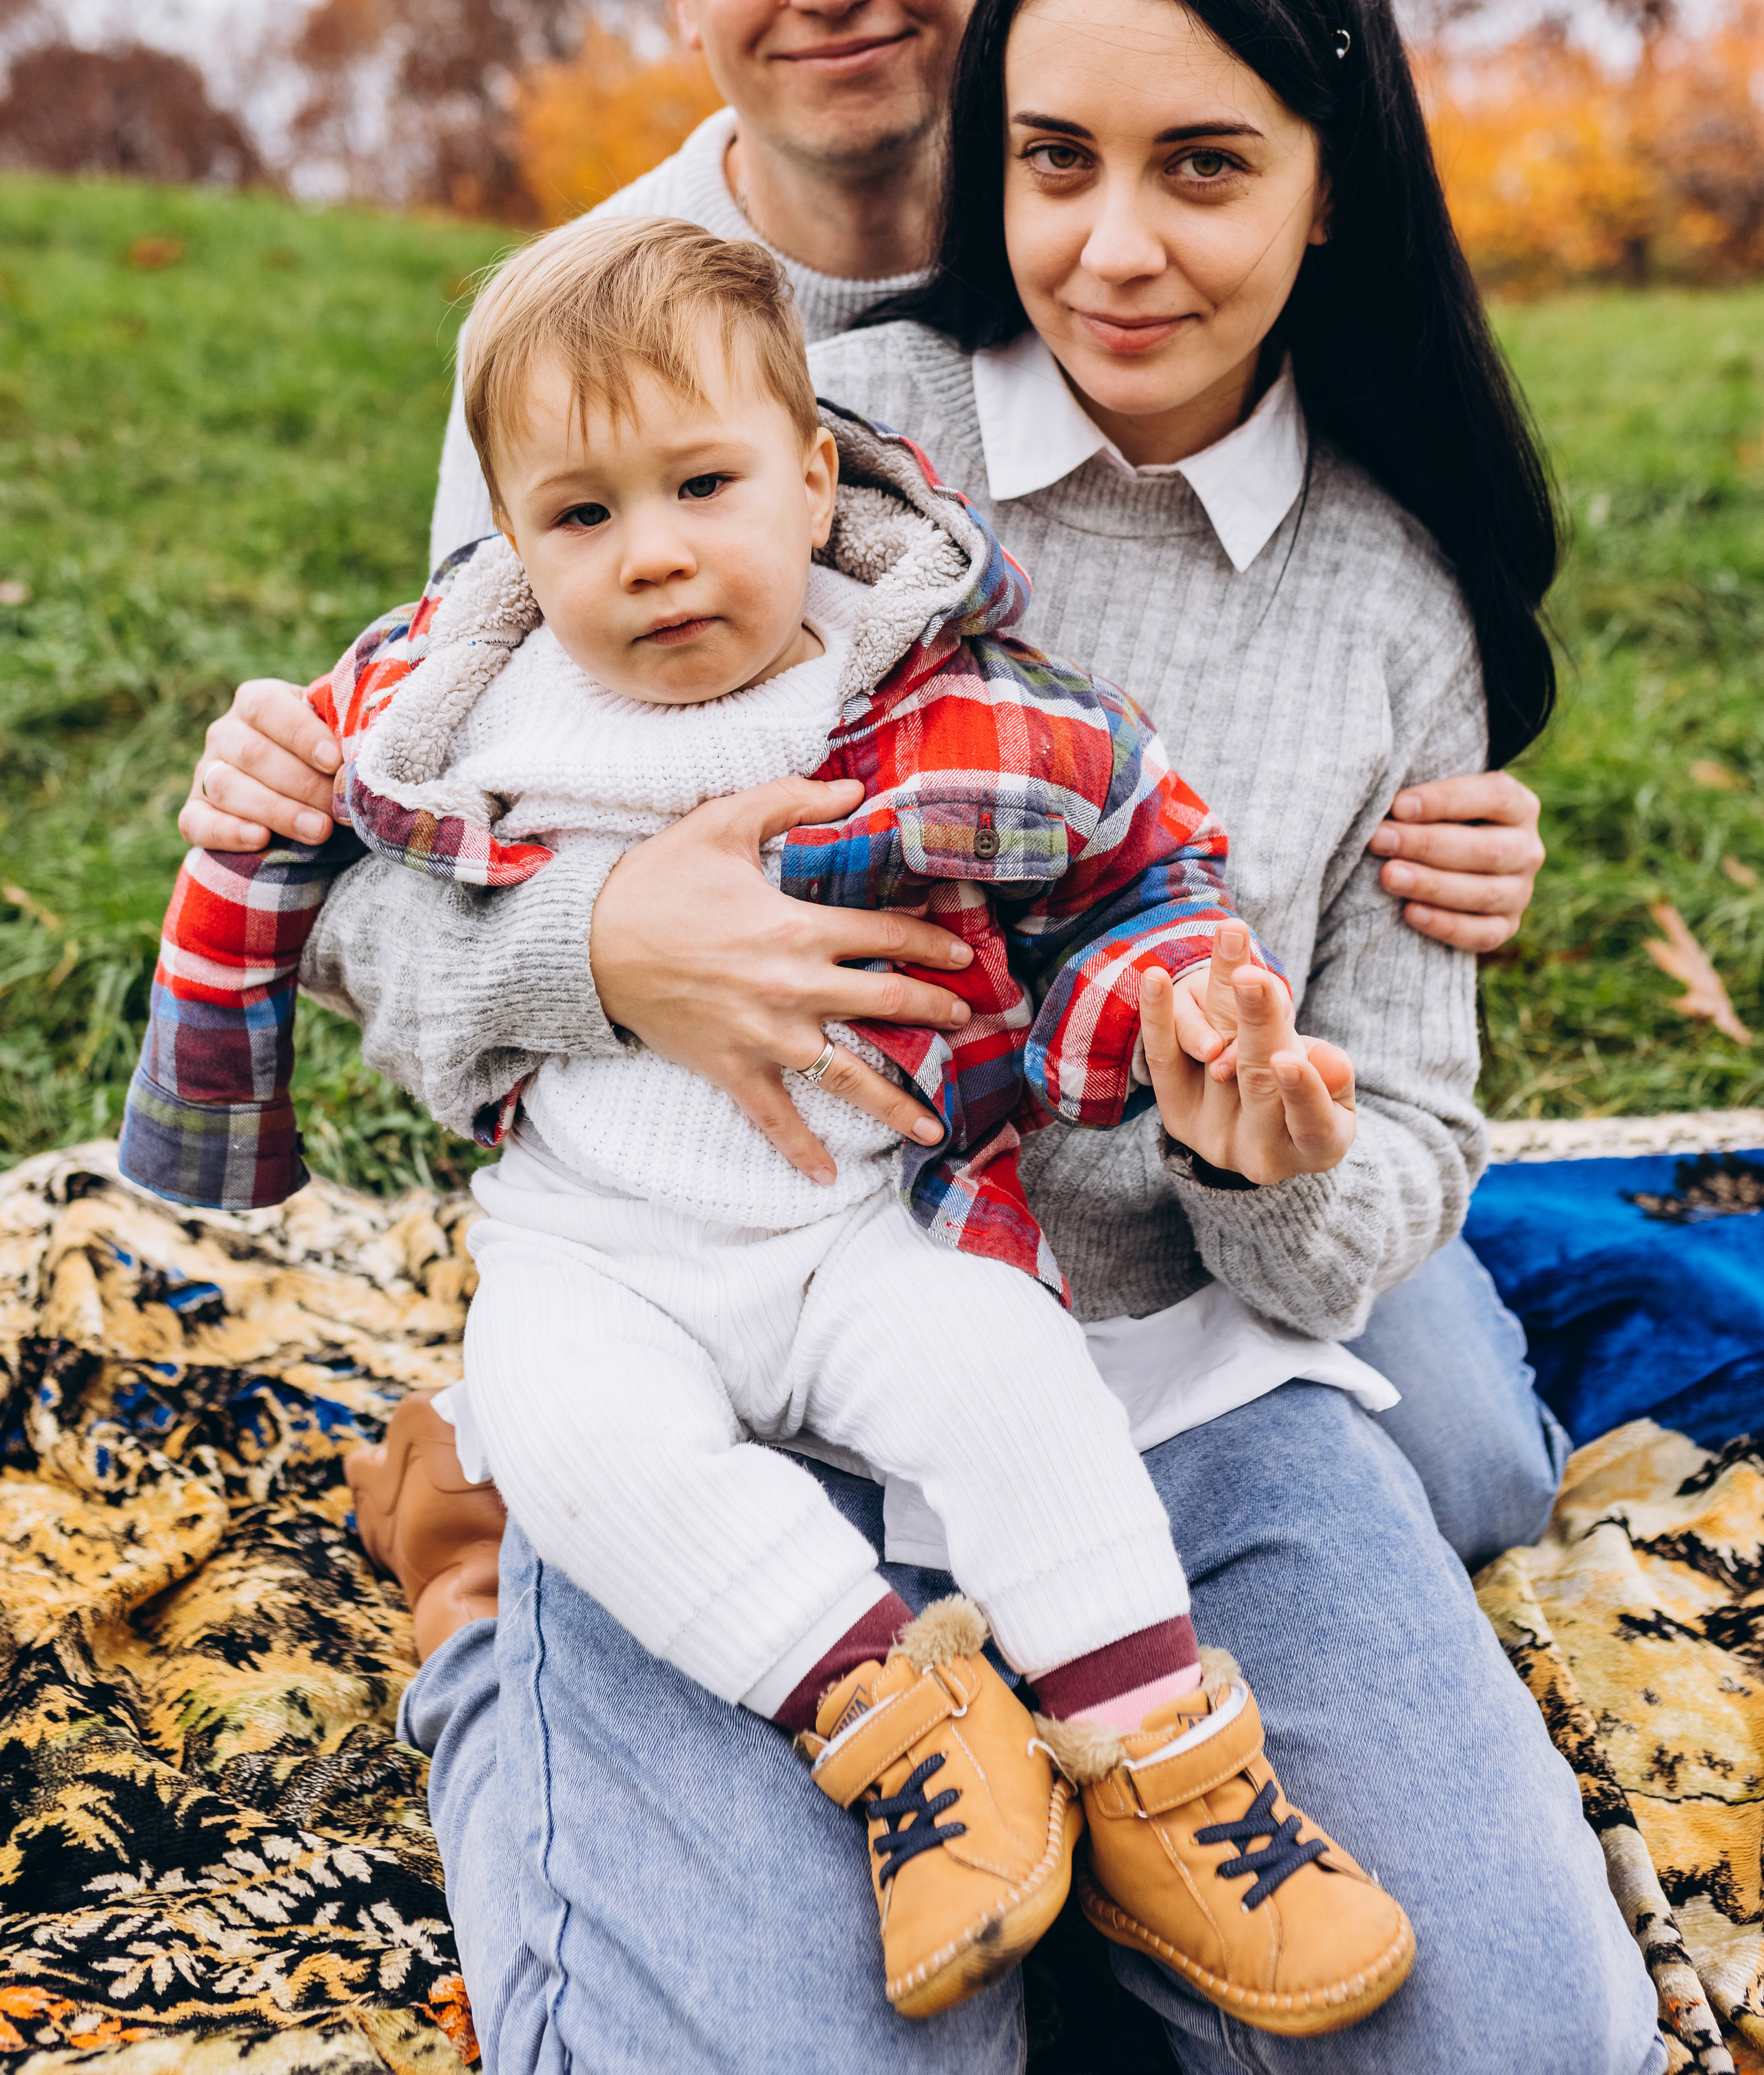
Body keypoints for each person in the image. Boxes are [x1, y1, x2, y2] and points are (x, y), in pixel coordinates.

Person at [340, 0, 1661, 2072]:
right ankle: (493, 1610)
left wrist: (1264, 1158)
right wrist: (604, 947)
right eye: (1051, 160)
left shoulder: (1395, 605)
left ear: (1333, 183)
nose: (1114, 248)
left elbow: (1401, 1146)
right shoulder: (813, 432)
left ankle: (1103, 1805)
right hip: (741, 1396)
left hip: (1166, 1401)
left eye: (1206, 170)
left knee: (1519, 2045)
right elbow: (392, 906)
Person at [178, 0, 1559, 1571]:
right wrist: (599, 941)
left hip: (1176, 1152)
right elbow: (427, 830)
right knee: (808, 1475)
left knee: (1472, 1470)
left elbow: (1349, 585)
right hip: (804, 1151)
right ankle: (510, 1517)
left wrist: (1441, 816)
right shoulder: (602, 348)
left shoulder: (1150, 191)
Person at [127, 212, 1415, 2033]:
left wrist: (1187, 1007)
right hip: (600, 1242)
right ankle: (898, 1715)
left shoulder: (932, 699)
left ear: (814, 480)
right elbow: (280, 859)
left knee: (1009, 1387)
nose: (649, 557)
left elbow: (1139, 876)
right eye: (580, 517)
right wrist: (226, 1012)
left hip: (870, 1222)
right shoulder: (457, 701)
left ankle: (1165, 1766)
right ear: (510, 537)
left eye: (702, 487)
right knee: (572, 1445)